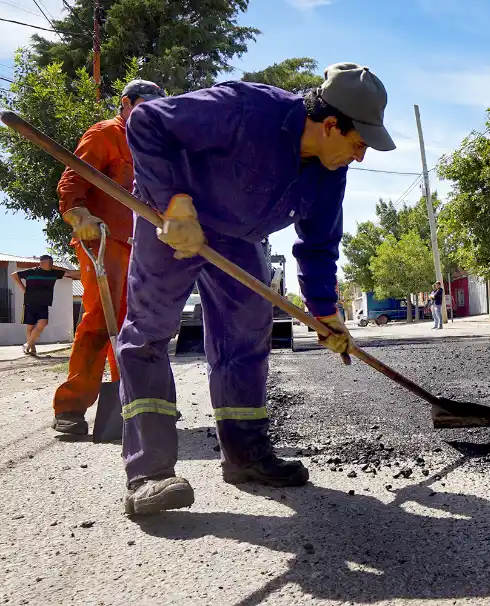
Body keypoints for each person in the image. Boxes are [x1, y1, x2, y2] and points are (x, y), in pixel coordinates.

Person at [118, 63, 395, 515]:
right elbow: (148, 121)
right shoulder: (247, 108)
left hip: (240, 238)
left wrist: (325, 312)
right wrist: (174, 201)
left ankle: (245, 456)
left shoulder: (329, 171)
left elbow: (319, 244)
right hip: (171, 219)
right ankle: (149, 474)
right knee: (148, 332)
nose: (360, 157)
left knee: (246, 339)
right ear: (329, 125)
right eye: (358, 143)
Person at [50, 80, 166, 436]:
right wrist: (79, 216)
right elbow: (72, 179)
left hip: (141, 246)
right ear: (126, 104)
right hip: (104, 242)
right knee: (101, 320)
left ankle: (131, 404)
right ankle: (70, 408)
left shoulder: (153, 147)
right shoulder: (104, 134)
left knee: (137, 325)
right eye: (144, 106)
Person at [11, 255, 77, 355]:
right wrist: (23, 289)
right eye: (48, 263)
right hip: (30, 302)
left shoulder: (54, 273)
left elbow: (71, 273)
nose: (51, 265)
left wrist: (56, 267)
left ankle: (27, 344)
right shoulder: (32, 271)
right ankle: (32, 348)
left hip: (44, 303)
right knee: (30, 326)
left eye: (52, 263)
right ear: (41, 263)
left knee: (43, 324)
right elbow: (14, 275)